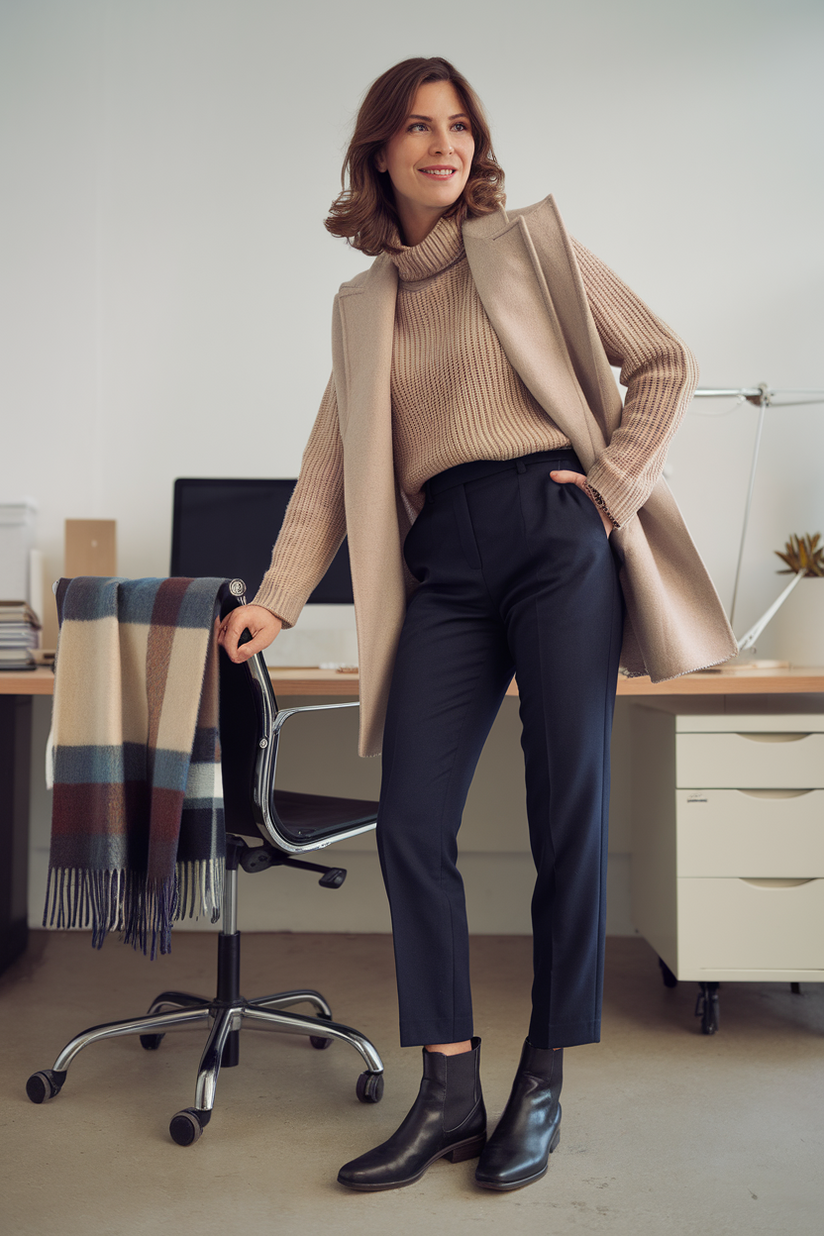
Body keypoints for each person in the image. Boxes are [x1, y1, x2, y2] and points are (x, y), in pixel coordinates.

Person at [218, 57, 736, 1192]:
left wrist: (608, 489)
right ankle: (447, 1083)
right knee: (410, 823)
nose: (442, 145)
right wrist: (274, 598)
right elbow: (330, 470)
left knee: (565, 813)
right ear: (378, 154)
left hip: (556, 537)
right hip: (441, 561)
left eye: (459, 126)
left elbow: (663, 359)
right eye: (416, 127)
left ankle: (542, 1075)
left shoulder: (529, 246)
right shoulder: (366, 308)